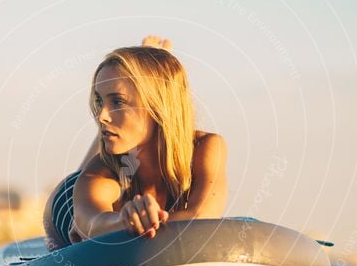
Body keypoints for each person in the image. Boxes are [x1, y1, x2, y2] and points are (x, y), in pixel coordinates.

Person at [42, 35, 228, 251]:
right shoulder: (99, 174)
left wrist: (148, 223)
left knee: (115, 135)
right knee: (106, 153)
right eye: (99, 101)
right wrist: (125, 220)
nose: (101, 115)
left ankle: (152, 66)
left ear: (159, 105)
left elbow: (202, 216)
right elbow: (90, 224)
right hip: (69, 203)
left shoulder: (206, 147)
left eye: (118, 101)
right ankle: (148, 68)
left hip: (126, 162)